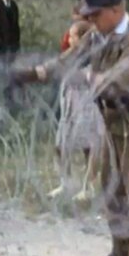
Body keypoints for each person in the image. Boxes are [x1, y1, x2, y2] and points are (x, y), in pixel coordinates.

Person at [12, 0, 129, 256]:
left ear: (117, 10)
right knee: (110, 186)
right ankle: (120, 251)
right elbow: (68, 60)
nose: (90, 21)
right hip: (112, 120)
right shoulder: (98, 36)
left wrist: (88, 75)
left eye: (96, 15)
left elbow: (118, 82)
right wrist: (34, 74)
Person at [49, 20, 103, 200]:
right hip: (69, 106)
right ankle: (66, 182)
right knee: (60, 145)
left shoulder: (92, 57)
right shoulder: (70, 56)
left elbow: (89, 78)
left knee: (89, 147)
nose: (69, 39)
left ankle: (88, 187)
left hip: (85, 104)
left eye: (72, 36)